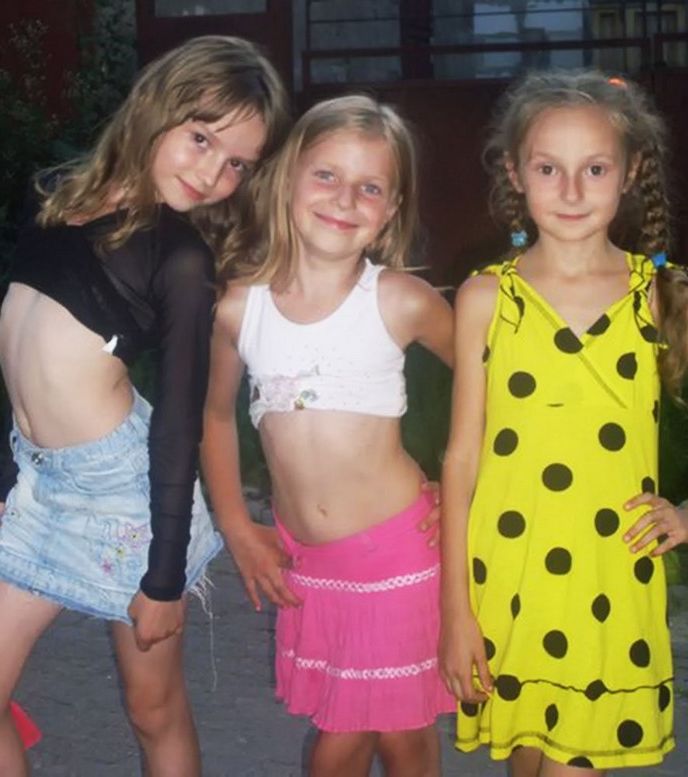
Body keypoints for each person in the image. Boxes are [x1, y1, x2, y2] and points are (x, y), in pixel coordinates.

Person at [0, 35, 288, 777]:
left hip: (126, 501)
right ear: (156, 106)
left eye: (237, 163)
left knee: (152, 707)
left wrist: (164, 579)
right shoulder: (52, 196)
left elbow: (181, 426)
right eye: (202, 139)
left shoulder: (180, 258)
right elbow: (17, 344)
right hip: (41, 486)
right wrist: (4, 476)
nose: (213, 174)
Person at [439, 69, 688, 776]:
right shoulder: (484, 299)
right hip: (507, 577)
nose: (571, 190)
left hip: (609, 581)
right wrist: (454, 610)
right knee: (527, 753)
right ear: (515, 173)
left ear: (630, 172)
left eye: (594, 169)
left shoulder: (663, 294)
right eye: (548, 169)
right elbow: (461, 460)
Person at [201, 94, 456, 777]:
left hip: (398, 555)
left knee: (371, 740)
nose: (345, 198)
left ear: (390, 210)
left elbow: (498, 386)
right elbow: (215, 417)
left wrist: (465, 482)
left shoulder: (400, 299)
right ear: (286, 178)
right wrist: (237, 525)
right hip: (307, 565)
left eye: (369, 187)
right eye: (326, 175)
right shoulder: (239, 307)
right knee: (371, 729)